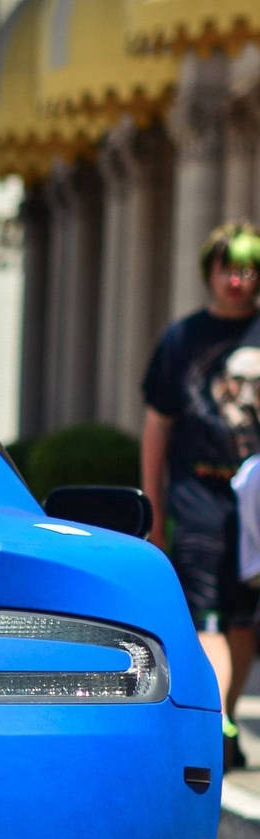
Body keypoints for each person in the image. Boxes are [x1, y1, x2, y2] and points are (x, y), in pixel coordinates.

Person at [141, 221, 260, 768]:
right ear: (209, 272)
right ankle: (218, 721)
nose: (238, 280)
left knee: (244, 619)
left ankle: (225, 716)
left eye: (248, 269)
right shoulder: (182, 339)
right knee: (208, 614)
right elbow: (158, 424)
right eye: (227, 268)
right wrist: (154, 507)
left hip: (254, 502)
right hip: (199, 496)